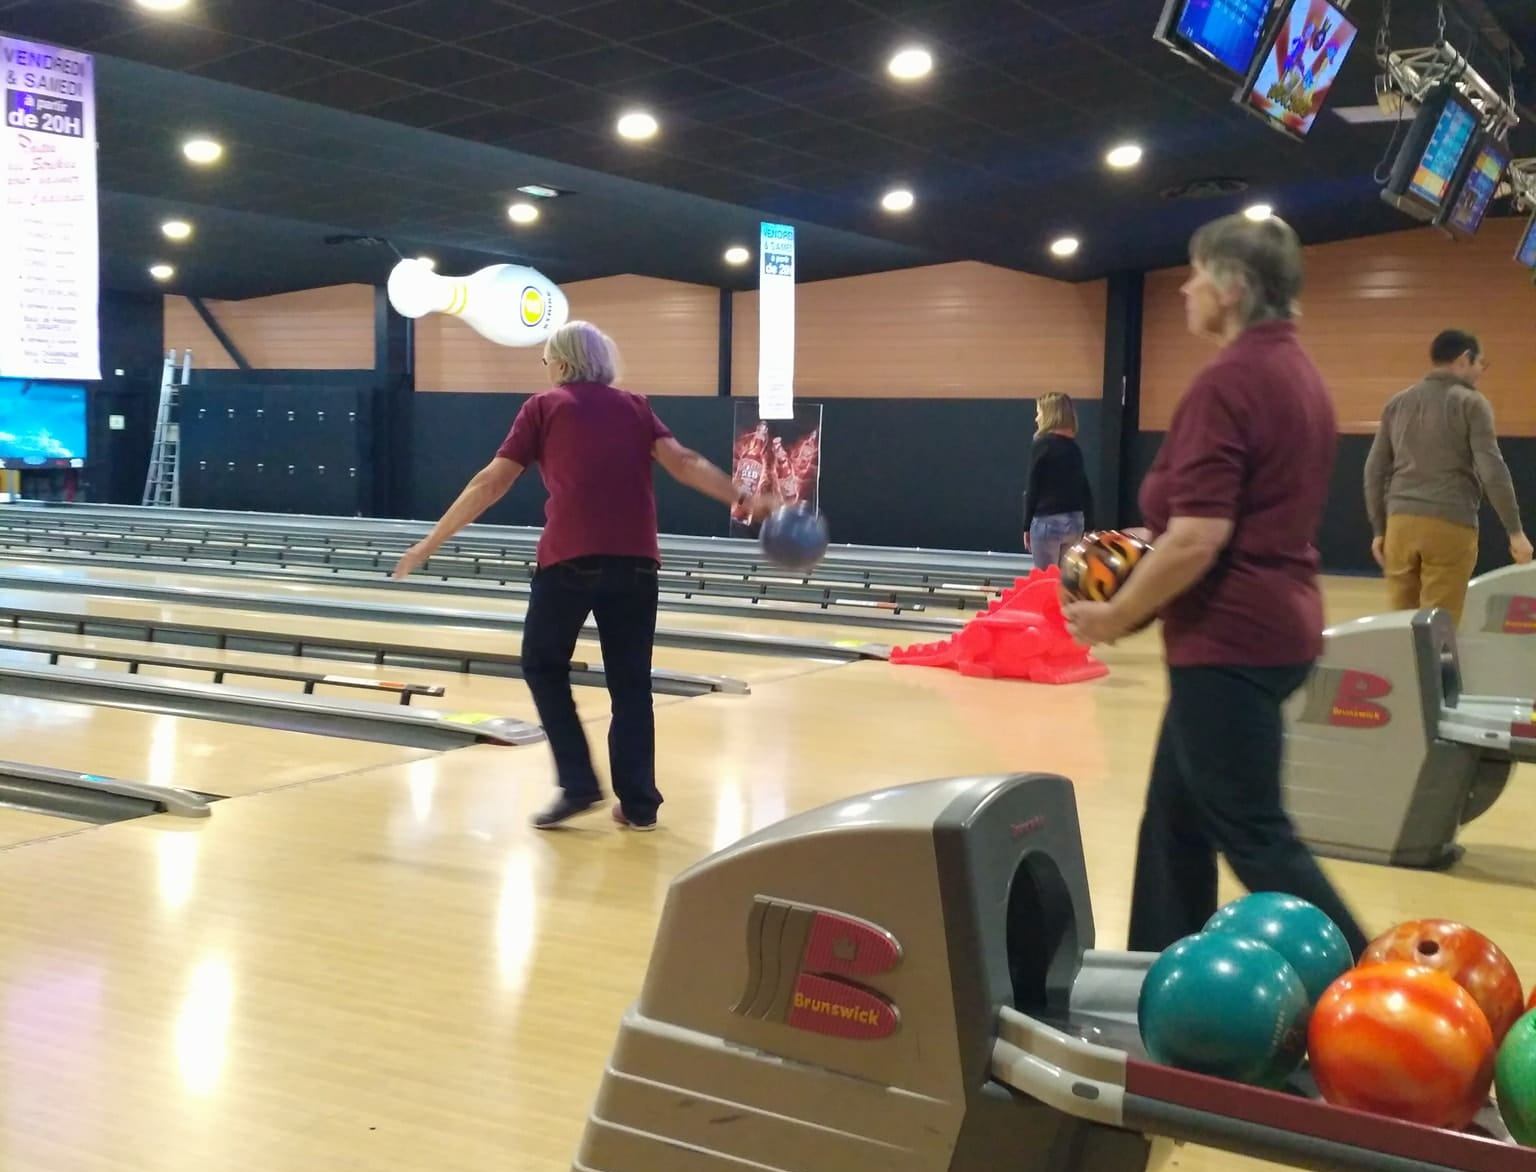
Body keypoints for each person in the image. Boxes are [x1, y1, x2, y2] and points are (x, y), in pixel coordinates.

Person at [1063, 212, 1370, 960]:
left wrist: (1115, 614)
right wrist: (1145, 544)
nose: (1185, 289)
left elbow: (1200, 536)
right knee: (1174, 824)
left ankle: (1379, 984)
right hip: (1272, 626)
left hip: (1232, 639)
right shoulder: (1296, 372)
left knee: (1253, 831)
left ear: (1232, 287)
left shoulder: (1229, 381)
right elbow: (1225, 516)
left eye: (1197, 273)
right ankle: (1157, 972)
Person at [391, 320, 775, 832]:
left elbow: (492, 482)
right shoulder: (635, 406)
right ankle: (639, 804)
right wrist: (745, 499)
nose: (545, 367)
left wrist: (429, 543)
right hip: (636, 563)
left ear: (562, 361)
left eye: (546, 358)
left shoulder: (543, 407)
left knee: (542, 664)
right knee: (631, 684)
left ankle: (578, 784)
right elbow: (683, 462)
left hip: (568, 560)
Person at [1363, 329, 1532, 626]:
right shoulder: (1472, 403)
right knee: (1440, 627)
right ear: (1464, 359)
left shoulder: (1397, 403)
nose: (1480, 371)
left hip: (1399, 526)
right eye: (1481, 363)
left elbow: (1374, 469)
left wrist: (1379, 529)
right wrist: (1515, 531)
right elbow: (1491, 469)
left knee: (1400, 626)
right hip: (1450, 522)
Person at [1022, 391, 1093, 572]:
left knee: (1046, 581)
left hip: (1048, 521)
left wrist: (1026, 525)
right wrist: (1090, 525)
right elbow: (1084, 487)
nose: (1036, 418)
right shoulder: (1074, 448)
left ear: (1050, 415)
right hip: (1075, 522)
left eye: (1039, 412)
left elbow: (1033, 487)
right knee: (1065, 581)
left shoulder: (1041, 444)